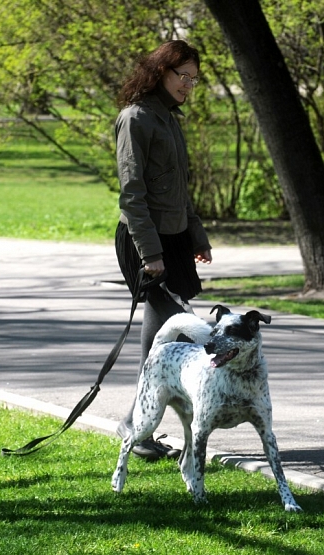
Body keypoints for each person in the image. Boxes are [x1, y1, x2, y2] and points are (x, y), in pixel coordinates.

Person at [114, 40, 213, 460]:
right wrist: (151, 253)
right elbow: (132, 195)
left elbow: (181, 190)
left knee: (162, 341)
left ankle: (135, 424)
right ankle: (138, 427)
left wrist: (197, 236)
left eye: (194, 78)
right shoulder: (136, 119)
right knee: (173, 337)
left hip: (172, 241)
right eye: (181, 76)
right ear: (160, 72)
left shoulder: (170, 120)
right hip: (145, 241)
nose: (188, 85)